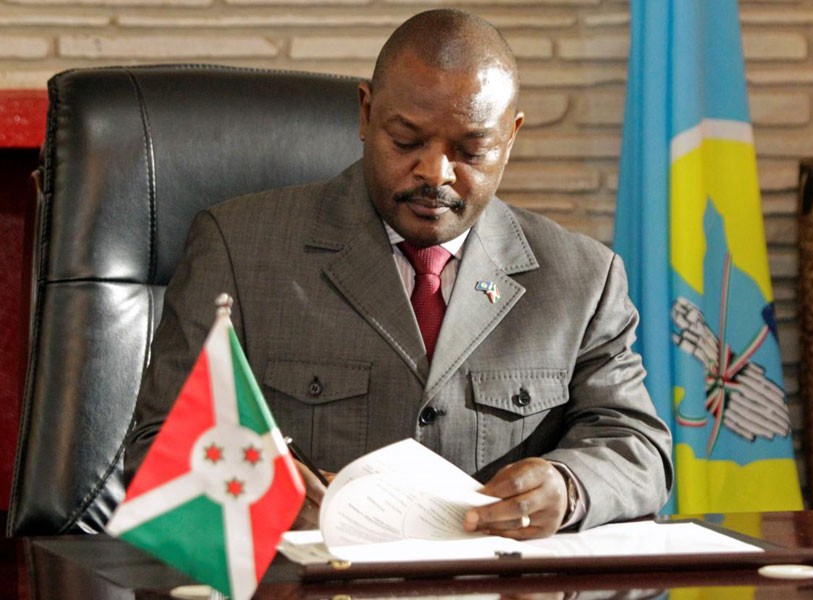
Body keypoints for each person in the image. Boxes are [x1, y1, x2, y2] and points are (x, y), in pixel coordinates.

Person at [125, 8, 673, 540]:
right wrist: (262, 490)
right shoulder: (239, 249)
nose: (435, 172)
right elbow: (158, 445)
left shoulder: (581, 277)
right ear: (365, 115)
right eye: (407, 141)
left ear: (511, 137)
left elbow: (637, 446)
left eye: (471, 149)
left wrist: (568, 485)